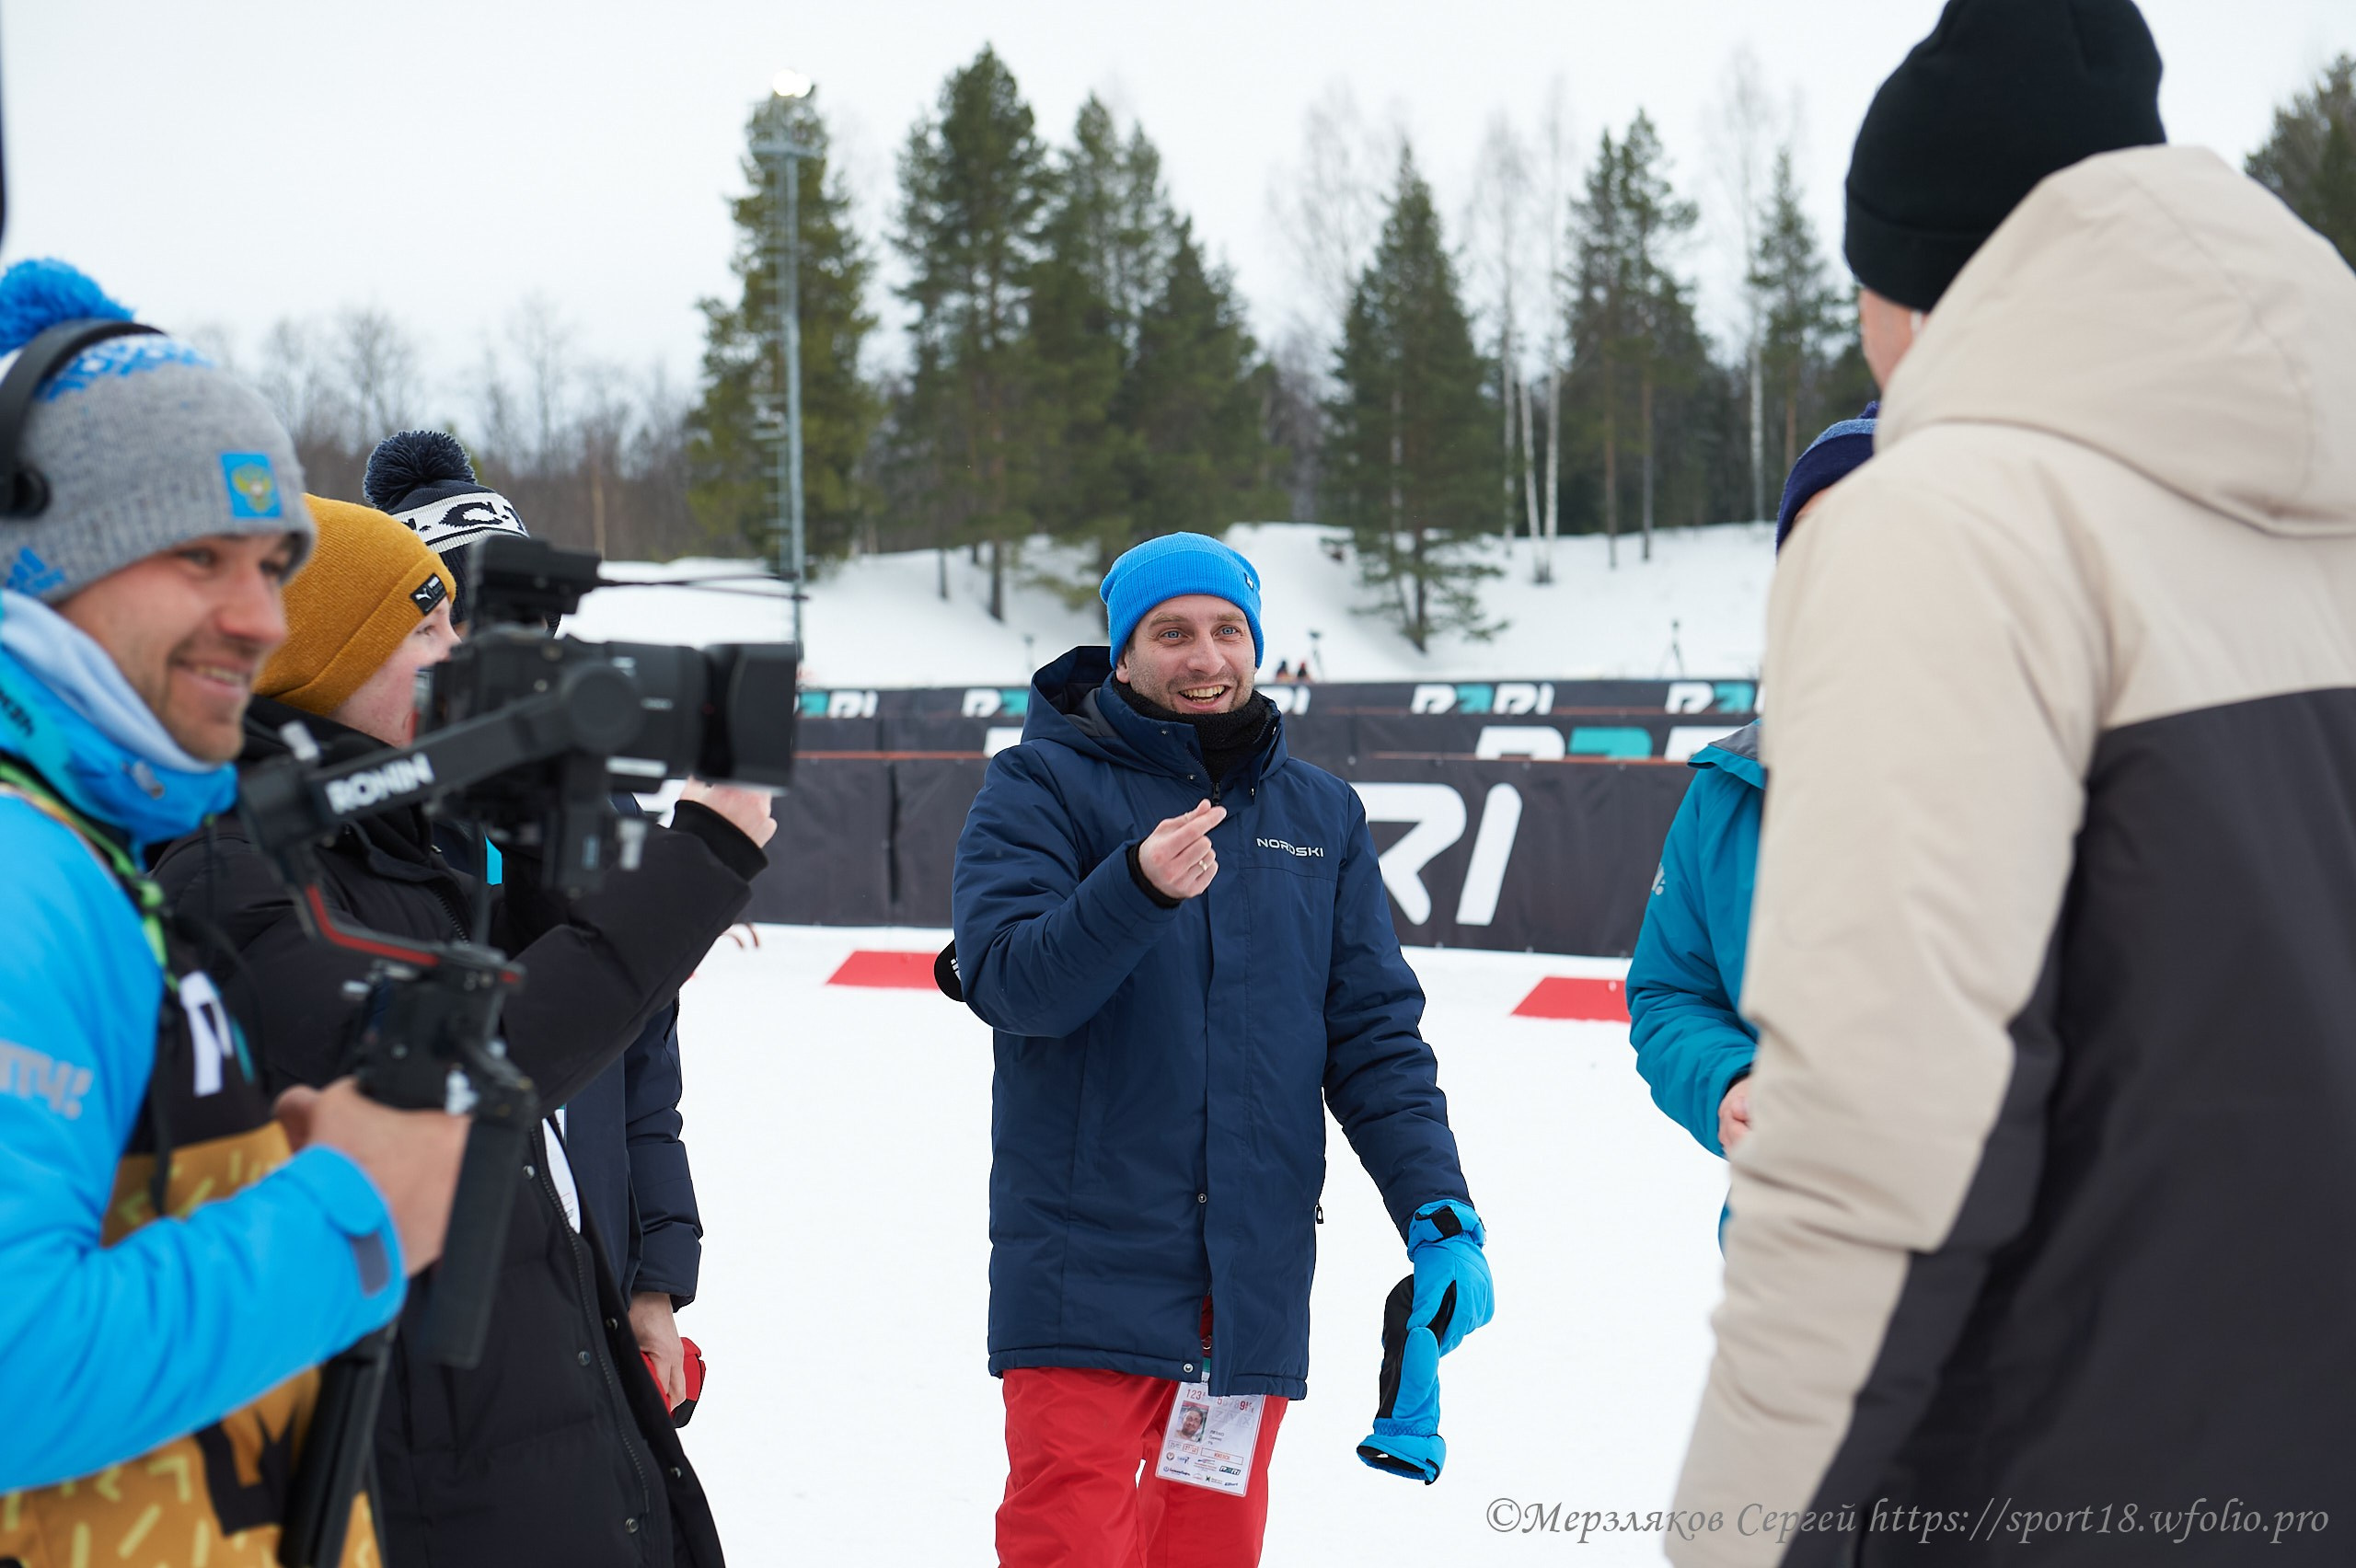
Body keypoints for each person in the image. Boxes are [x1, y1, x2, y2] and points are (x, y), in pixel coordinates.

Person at [1670, 1, 2356, 1561]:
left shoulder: (1950, 523)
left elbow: (1882, 1128)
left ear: (1916, 280)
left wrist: (1732, 1530)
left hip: (2062, 1468)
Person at [154, 499, 775, 1568]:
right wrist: (704, 857)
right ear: (322, 651)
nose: (464, 658)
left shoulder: (396, 852)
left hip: (543, 1433)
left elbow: (591, 1014)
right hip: (416, 1470)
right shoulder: (225, 873)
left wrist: (535, 802)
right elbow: (466, 1069)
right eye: (428, 631)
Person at [0, 259, 467, 1565]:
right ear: (43, 561)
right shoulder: (22, 872)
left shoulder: (91, 845)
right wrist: (344, 1213)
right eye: (199, 556)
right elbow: (12, 1369)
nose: (260, 619)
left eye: (273, 564)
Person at [952, 531, 1492, 1567]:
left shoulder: (1319, 813)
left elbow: (1373, 1034)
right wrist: (1135, 888)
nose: (1204, 656)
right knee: (1070, 1549)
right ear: (1121, 654)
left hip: (1246, 1289)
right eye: (1171, 633)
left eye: (1226, 630)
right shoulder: (1035, 787)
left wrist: (1437, 1209)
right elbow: (1015, 987)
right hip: (1083, 1279)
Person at [363, 428, 707, 1412]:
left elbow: (644, 1068)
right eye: (464, 611)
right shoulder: (359, 821)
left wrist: (653, 1282)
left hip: (588, 1286)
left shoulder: (594, 802)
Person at [1625, 408, 1875, 1172]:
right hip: (1791, 1251)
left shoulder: (2057, 756)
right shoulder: (1729, 789)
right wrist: (1731, 1078)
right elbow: (1671, 994)